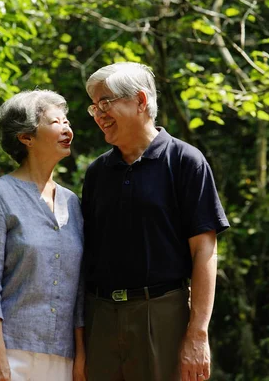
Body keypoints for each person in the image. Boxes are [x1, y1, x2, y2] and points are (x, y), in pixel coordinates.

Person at [82, 62, 229, 381]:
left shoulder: (186, 161)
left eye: (105, 102)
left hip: (162, 313)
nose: (98, 114)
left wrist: (198, 334)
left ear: (140, 100)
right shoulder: (96, 173)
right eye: (94, 106)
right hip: (100, 317)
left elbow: (205, 252)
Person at [0, 89, 86, 381]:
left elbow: (80, 290)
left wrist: (81, 355)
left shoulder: (74, 203)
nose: (67, 128)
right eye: (56, 122)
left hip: (61, 355)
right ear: (26, 137)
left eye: (67, 121)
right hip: (3, 351)